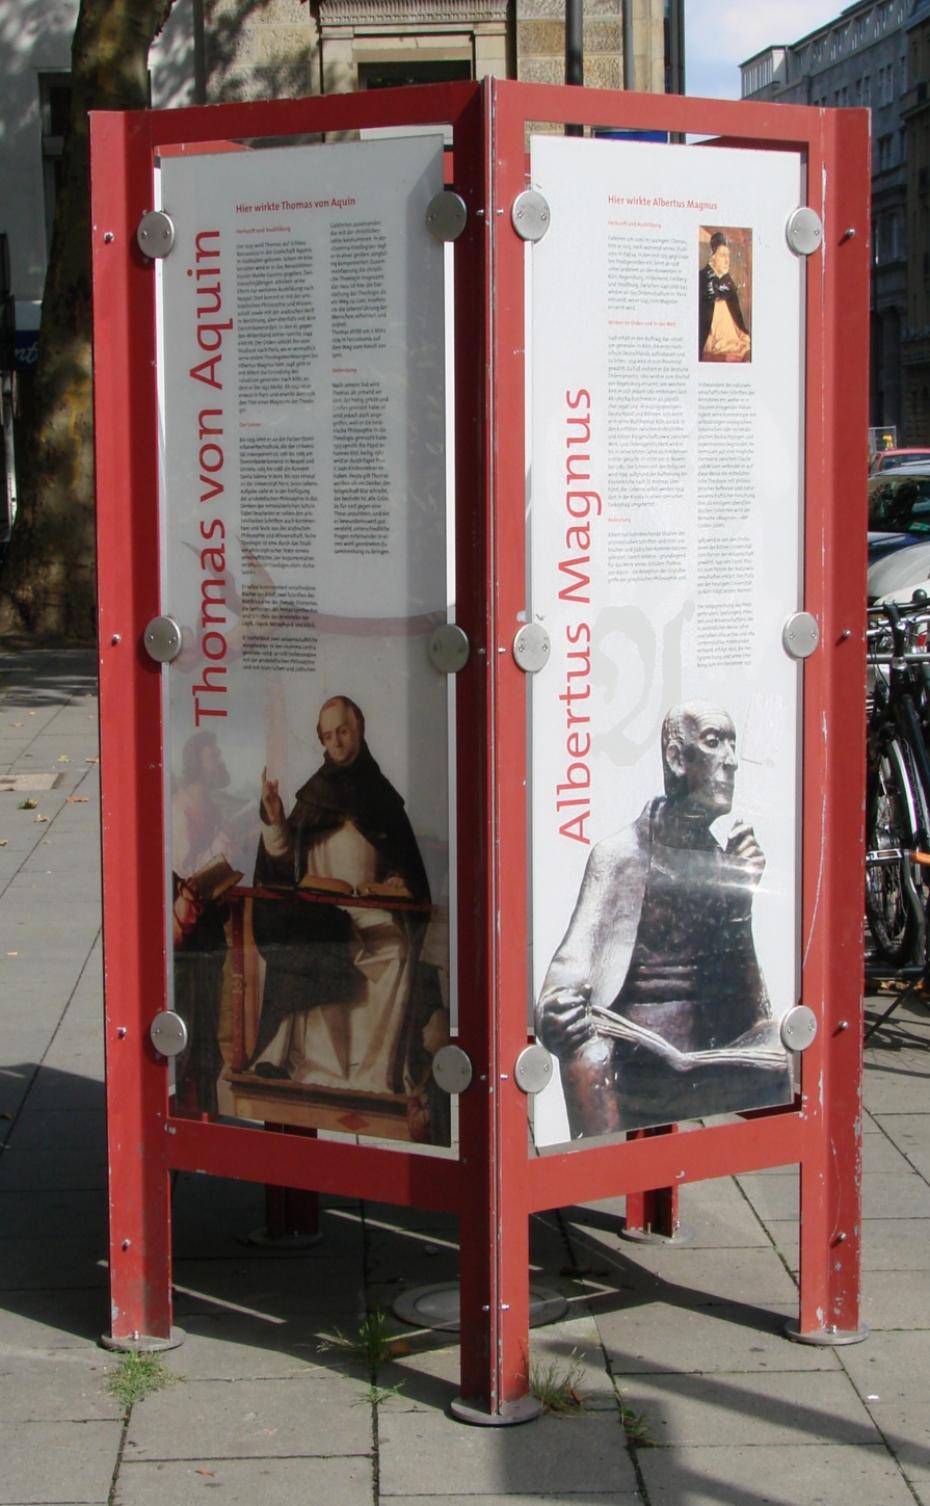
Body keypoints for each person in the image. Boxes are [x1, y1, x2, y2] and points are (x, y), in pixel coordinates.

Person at [535, 702, 791, 1138]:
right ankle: (605, 1174)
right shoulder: (620, 856)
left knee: (788, 1048)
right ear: (676, 758)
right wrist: (556, 1009)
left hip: (708, 1048)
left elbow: (751, 1007)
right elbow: (569, 968)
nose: (730, 760)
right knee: (589, 1055)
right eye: (714, 742)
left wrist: (738, 899)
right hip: (633, 1053)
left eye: (733, 745)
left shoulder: (718, 858)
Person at [249, 696, 447, 1141]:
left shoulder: (383, 800)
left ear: (359, 731)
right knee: (316, 945)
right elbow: (282, 861)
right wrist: (275, 820)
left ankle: (371, 1074)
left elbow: (409, 871)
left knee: (396, 951)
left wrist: (395, 884)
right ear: (321, 740)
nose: (337, 740)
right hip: (321, 910)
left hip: (375, 913)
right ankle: (317, 1067)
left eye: (344, 730)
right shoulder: (311, 796)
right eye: (329, 734)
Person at [699, 232, 751, 362]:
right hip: (712, 333)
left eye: (728, 256)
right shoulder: (702, 276)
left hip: (730, 330)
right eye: (722, 256)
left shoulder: (727, 279)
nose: (727, 260)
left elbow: (735, 312)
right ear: (713, 257)